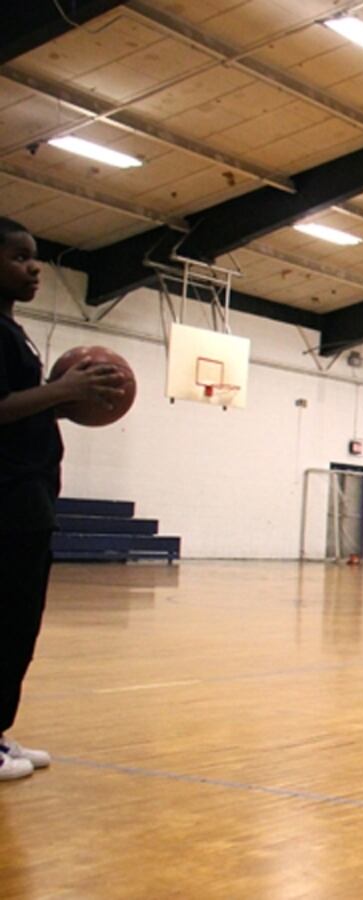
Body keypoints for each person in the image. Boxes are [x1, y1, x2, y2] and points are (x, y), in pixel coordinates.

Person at [0, 217, 125, 782]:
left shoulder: (13, 333)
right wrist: (64, 391)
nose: (33, 269)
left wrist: (68, 400)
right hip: (4, 503)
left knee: (19, 626)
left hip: (28, 503)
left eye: (36, 257)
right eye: (19, 257)